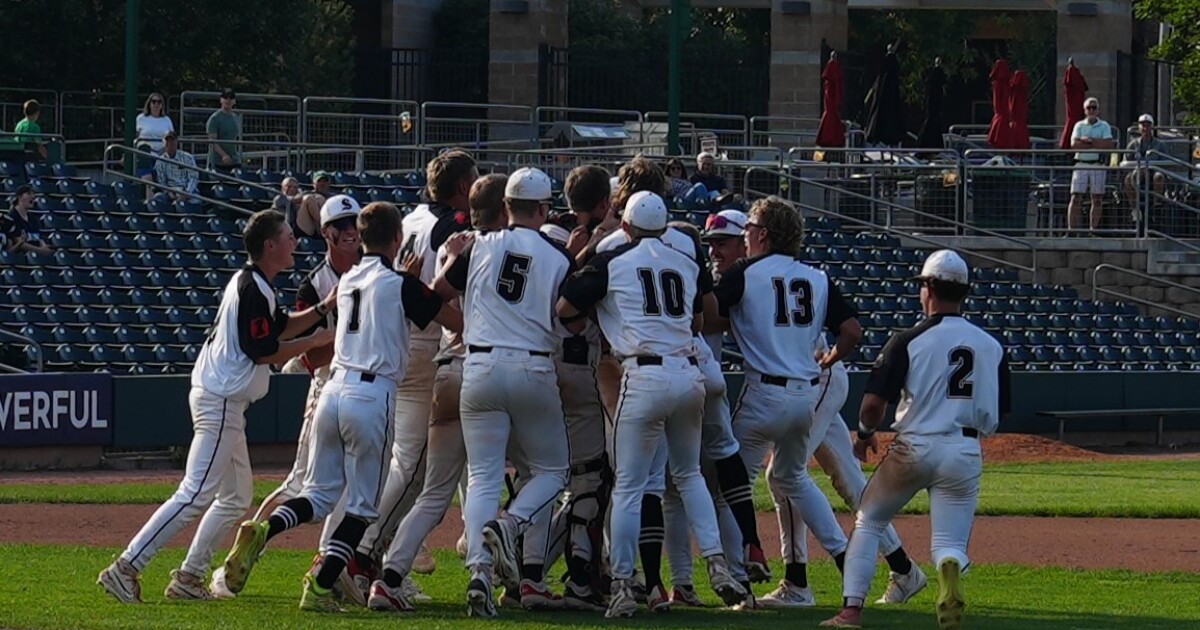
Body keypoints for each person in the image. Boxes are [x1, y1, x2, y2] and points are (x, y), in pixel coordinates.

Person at [222, 202, 460, 613]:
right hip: (374, 395)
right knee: (363, 508)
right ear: (397, 239)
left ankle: (266, 527)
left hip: (334, 390)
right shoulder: (398, 283)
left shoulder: (347, 280)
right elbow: (448, 318)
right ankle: (321, 583)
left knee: (317, 495)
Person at [97, 210, 337, 604]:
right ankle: (126, 567)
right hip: (221, 400)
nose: (295, 241)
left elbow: (278, 327)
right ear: (269, 245)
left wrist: (322, 309)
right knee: (195, 493)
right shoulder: (252, 287)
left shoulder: (256, 284)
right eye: (287, 236)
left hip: (225, 400)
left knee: (236, 497)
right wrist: (314, 342)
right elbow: (264, 352)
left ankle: (189, 577)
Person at [558, 191, 746, 618]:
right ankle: (717, 564)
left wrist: (601, 317)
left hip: (642, 375)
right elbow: (698, 318)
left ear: (625, 226)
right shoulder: (685, 259)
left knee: (629, 485)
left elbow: (565, 307)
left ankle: (624, 583)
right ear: (663, 228)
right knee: (690, 474)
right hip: (687, 371)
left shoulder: (612, 261)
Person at [821, 249, 1010, 630]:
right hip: (964, 448)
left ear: (928, 289)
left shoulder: (908, 339)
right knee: (949, 542)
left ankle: (851, 611)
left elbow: (874, 404)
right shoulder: (991, 345)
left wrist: (865, 435)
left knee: (869, 519)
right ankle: (947, 564)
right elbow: (1001, 409)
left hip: (916, 445)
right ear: (964, 292)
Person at [432, 167, 574, 618]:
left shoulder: (478, 246)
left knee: (483, 478)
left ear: (506, 205)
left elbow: (437, 292)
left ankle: (478, 573)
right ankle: (510, 525)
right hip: (532, 365)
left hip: (478, 364)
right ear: (544, 209)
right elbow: (571, 319)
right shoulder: (558, 254)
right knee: (553, 470)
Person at [366, 173, 509, 613]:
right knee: (528, 472)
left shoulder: (434, 231)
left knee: (432, 487)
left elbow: (432, 291)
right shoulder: (501, 244)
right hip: (483, 361)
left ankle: (388, 573)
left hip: (441, 361)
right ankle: (506, 569)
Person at [712, 197, 861, 607]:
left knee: (730, 487)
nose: (744, 235)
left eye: (748, 229)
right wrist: (831, 357)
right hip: (804, 393)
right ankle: (848, 561)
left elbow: (707, 316)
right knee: (793, 478)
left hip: (764, 392)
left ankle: (740, 577)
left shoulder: (745, 271)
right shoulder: (816, 277)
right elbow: (851, 330)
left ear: (762, 233)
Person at [213, 194, 362, 599]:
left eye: (356, 224)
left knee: (363, 486)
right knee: (302, 482)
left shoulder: (374, 270)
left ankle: (339, 570)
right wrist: (349, 343)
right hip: (330, 382)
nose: (352, 231)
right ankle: (243, 554)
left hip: (366, 388)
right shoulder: (313, 283)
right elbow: (309, 353)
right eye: (343, 225)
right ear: (327, 233)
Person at [348, 149, 477, 589]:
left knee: (414, 462)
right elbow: (438, 296)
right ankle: (361, 552)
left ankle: (372, 554)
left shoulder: (413, 218)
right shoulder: (454, 225)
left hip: (405, 342)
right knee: (413, 466)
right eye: (473, 181)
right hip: (428, 340)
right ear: (462, 187)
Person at [1066, 97, 1115, 234]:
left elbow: (1108, 145)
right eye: (1089, 108)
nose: (1092, 110)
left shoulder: (1104, 125)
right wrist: (1096, 143)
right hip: (1081, 163)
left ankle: (1092, 230)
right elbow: (1074, 145)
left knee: (1097, 198)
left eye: (1094, 108)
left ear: (1098, 110)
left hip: (1097, 164)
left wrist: (1087, 141)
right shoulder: (1079, 125)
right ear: (1085, 110)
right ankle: (1071, 230)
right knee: (1076, 197)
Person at [1123, 114, 1167, 220]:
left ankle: (1156, 207)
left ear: (1152, 127)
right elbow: (1126, 161)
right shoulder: (1132, 144)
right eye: (1142, 125)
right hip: (1136, 174)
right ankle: (1134, 209)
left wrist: (1150, 168)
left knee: (1159, 177)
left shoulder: (1160, 145)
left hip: (1154, 172)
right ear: (1139, 127)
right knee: (1128, 179)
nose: (1145, 128)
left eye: (1148, 125)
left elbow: (1165, 163)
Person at [137, 92, 175, 188]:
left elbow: (172, 137)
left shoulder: (166, 120)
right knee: (147, 177)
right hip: (146, 154)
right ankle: (150, 200)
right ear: (149, 104)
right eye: (153, 102)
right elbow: (135, 136)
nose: (156, 104)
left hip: (163, 155)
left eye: (159, 102)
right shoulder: (141, 118)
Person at [4, 184, 52, 255]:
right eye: (29, 193)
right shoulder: (11, 217)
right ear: (20, 197)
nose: (33, 196)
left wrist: (44, 246)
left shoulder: (32, 217)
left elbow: (38, 237)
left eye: (33, 194)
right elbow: (19, 243)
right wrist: (40, 250)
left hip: (36, 255)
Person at [151, 132, 199, 203]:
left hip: (188, 191)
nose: (169, 143)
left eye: (172, 140)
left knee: (195, 201)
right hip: (170, 192)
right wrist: (169, 193)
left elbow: (193, 177)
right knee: (157, 199)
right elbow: (162, 181)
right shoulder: (160, 161)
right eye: (167, 141)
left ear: (177, 142)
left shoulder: (187, 157)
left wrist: (186, 193)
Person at [206, 88, 242, 173]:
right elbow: (212, 141)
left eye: (231, 98)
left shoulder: (236, 118)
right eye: (225, 97)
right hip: (217, 162)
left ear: (234, 101)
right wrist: (224, 155)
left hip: (234, 161)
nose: (228, 100)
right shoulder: (214, 118)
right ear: (221, 100)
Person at [296, 172, 334, 238]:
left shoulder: (333, 197)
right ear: (313, 184)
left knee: (321, 199)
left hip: (327, 224)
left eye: (325, 181)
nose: (322, 184)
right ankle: (324, 226)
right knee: (309, 198)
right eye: (319, 181)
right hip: (307, 226)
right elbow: (291, 200)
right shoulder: (306, 193)